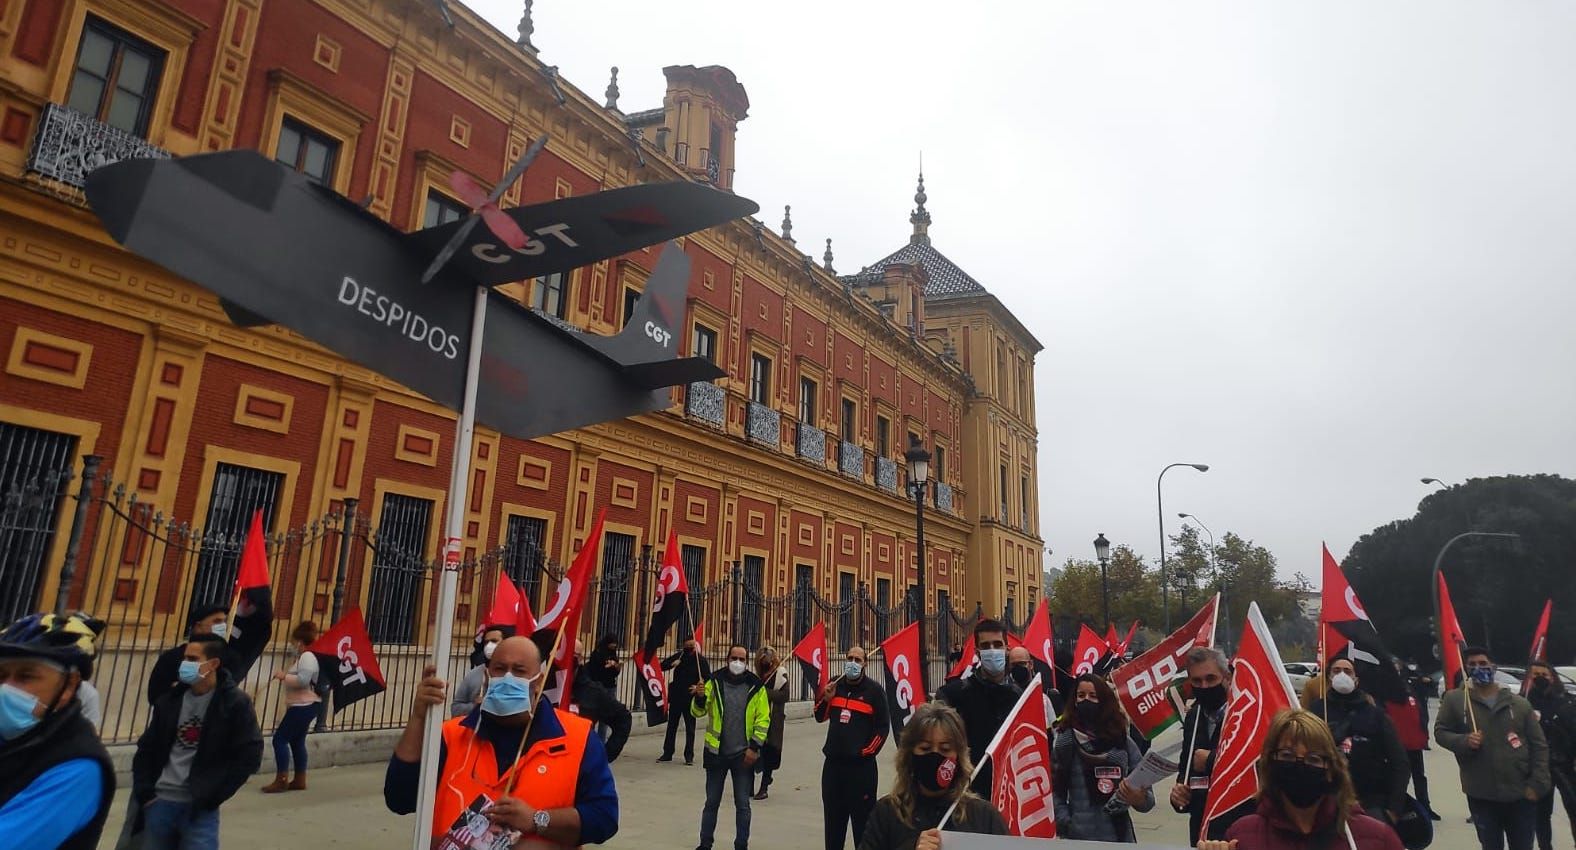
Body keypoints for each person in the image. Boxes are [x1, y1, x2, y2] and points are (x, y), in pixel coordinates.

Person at [383, 634, 618, 846]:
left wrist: (537, 819)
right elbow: (399, 799)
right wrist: (418, 718)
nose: (508, 677)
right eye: (499, 668)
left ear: (538, 681)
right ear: (486, 676)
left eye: (519, 670)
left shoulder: (578, 737)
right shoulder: (452, 735)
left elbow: (604, 817)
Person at [1199, 708, 1404, 850]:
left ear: (1331, 770)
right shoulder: (1242, 835)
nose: (1300, 765)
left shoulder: (1376, 838)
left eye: (1313, 758)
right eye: (1287, 755)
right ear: (1270, 763)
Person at [131, 633, 264, 849]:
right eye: (185, 658)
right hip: (160, 803)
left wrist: (213, 797)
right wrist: (146, 792)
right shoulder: (170, 701)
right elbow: (146, 748)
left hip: (199, 809)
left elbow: (250, 754)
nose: (185, 664)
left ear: (212, 664)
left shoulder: (234, 703)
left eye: (193, 660)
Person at [0, 612, 115, 850]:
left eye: (26, 676)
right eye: (1, 676)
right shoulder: (13, 737)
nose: (6, 689)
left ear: (69, 686)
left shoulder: (78, 766)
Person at [1436, 645, 1550, 850]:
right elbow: (1440, 732)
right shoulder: (1455, 700)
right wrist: (1463, 741)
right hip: (1482, 794)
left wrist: (1537, 784)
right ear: (1466, 669)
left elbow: (1539, 746)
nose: (1479, 668)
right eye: (1472, 665)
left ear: (1493, 667)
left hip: (1521, 794)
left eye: (1483, 663)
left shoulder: (1519, 704)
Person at [857, 702, 1009, 850]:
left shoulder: (984, 816)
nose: (935, 755)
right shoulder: (887, 813)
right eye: (925, 748)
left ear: (958, 757)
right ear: (910, 754)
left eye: (945, 749)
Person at [1306, 656, 1410, 823]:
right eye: (1336, 671)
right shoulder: (1316, 711)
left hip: (1369, 803)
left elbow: (1400, 763)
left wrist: (1394, 808)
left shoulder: (1376, 715)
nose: (1342, 675)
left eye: (1347, 671)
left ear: (1356, 679)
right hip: (1323, 802)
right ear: (1329, 678)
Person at [1052, 673, 1154, 841]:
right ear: (1074, 701)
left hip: (1119, 836)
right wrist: (1066, 822)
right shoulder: (1065, 742)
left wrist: (1138, 798)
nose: (1086, 700)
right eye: (1081, 695)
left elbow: (1148, 798)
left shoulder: (1122, 742)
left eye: (1093, 696)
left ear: (1104, 700)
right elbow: (1056, 791)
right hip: (1078, 837)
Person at [691, 643, 769, 850]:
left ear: (747, 661)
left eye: (742, 659)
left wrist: (755, 747)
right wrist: (699, 698)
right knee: (711, 803)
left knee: (743, 804)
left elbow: (763, 720)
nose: (737, 662)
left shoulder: (756, 686)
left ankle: (741, 845)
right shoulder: (713, 681)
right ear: (727, 659)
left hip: (743, 756)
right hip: (716, 753)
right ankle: (705, 844)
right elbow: (698, 712)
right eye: (734, 658)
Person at [936, 619, 1022, 795]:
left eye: (997, 644)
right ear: (977, 652)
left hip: (1009, 793)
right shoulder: (953, 695)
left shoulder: (1020, 697)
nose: (992, 650)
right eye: (986, 645)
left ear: (1007, 649)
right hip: (967, 792)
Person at [1167, 646, 1243, 846]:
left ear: (1226, 677)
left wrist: (1210, 760)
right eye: (1197, 681)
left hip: (1237, 829)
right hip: (1201, 831)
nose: (1205, 686)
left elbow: (1253, 766)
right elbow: (1186, 771)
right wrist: (1179, 797)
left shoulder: (1243, 714)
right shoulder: (1194, 716)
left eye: (1211, 679)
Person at [815, 644, 889, 849]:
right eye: (850, 658)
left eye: (857, 660)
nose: (852, 663)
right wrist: (826, 699)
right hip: (833, 769)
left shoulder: (874, 692)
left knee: (862, 828)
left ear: (865, 663)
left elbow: (882, 728)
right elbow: (819, 716)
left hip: (861, 771)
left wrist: (864, 752)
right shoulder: (835, 685)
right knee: (833, 827)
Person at [146, 598, 272, 706]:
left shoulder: (230, 658)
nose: (223, 626)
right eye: (217, 621)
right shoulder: (171, 657)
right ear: (198, 626)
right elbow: (155, 695)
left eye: (224, 622)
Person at [262, 620, 321, 793]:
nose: (293, 645)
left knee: (279, 739)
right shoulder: (305, 657)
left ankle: (281, 779)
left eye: (294, 642)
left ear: (300, 642)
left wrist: (283, 676)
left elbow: (303, 680)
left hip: (303, 704)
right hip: (303, 704)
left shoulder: (308, 657)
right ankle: (300, 779)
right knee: (297, 741)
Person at [1525, 661, 1576, 850]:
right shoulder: (1525, 702)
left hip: (1566, 765)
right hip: (1539, 766)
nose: (1540, 678)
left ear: (1552, 677)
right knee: (1541, 814)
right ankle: (1545, 847)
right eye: (1535, 675)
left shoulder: (1568, 701)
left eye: (1544, 675)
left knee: (1574, 809)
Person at [1387, 658, 1439, 821]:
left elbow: (1423, 705)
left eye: (1397, 668)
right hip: (1394, 743)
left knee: (1419, 776)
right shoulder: (1382, 690)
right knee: (1397, 776)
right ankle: (1395, 806)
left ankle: (1425, 806)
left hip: (1414, 742)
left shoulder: (1412, 686)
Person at [570, 640, 632, 762]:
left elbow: (623, 718)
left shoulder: (591, 691)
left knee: (603, 726)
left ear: (580, 659)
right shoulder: (542, 686)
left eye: (572, 656)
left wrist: (603, 758)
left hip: (579, 766)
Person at [660, 636, 711, 764]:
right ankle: (667, 753)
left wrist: (699, 686)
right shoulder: (680, 656)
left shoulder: (700, 661)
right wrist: (673, 664)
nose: (689, 649)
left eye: (691, 647)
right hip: (677, 696)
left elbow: (709, 679)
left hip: (690, 698)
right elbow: (662, 666)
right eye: (687, 646)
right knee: (672, 726)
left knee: (690, 728)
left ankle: (689, 756)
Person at [452, 625, 511, 717]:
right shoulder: (473, 675)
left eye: (494, 641)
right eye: (486, 642)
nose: (489, 645)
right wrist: (475, 706)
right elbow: (455, 709)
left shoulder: (514, 675)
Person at [753, 647, 789, 801]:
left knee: (769, 752)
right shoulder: (759, 675)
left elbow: (784, 696)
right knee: (754, 749)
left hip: (774, 719)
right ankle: (748, 785)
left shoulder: (781, 674)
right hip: (758, 718)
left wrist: (764, 692)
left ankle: (764, 786)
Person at [1008, 644, 1063, 722]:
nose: (1018, 668)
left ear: (1031, 664)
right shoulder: (1006, 697)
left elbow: (1055, 729)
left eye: (1022, 664)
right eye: (1014, 665)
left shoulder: (1045, 697)